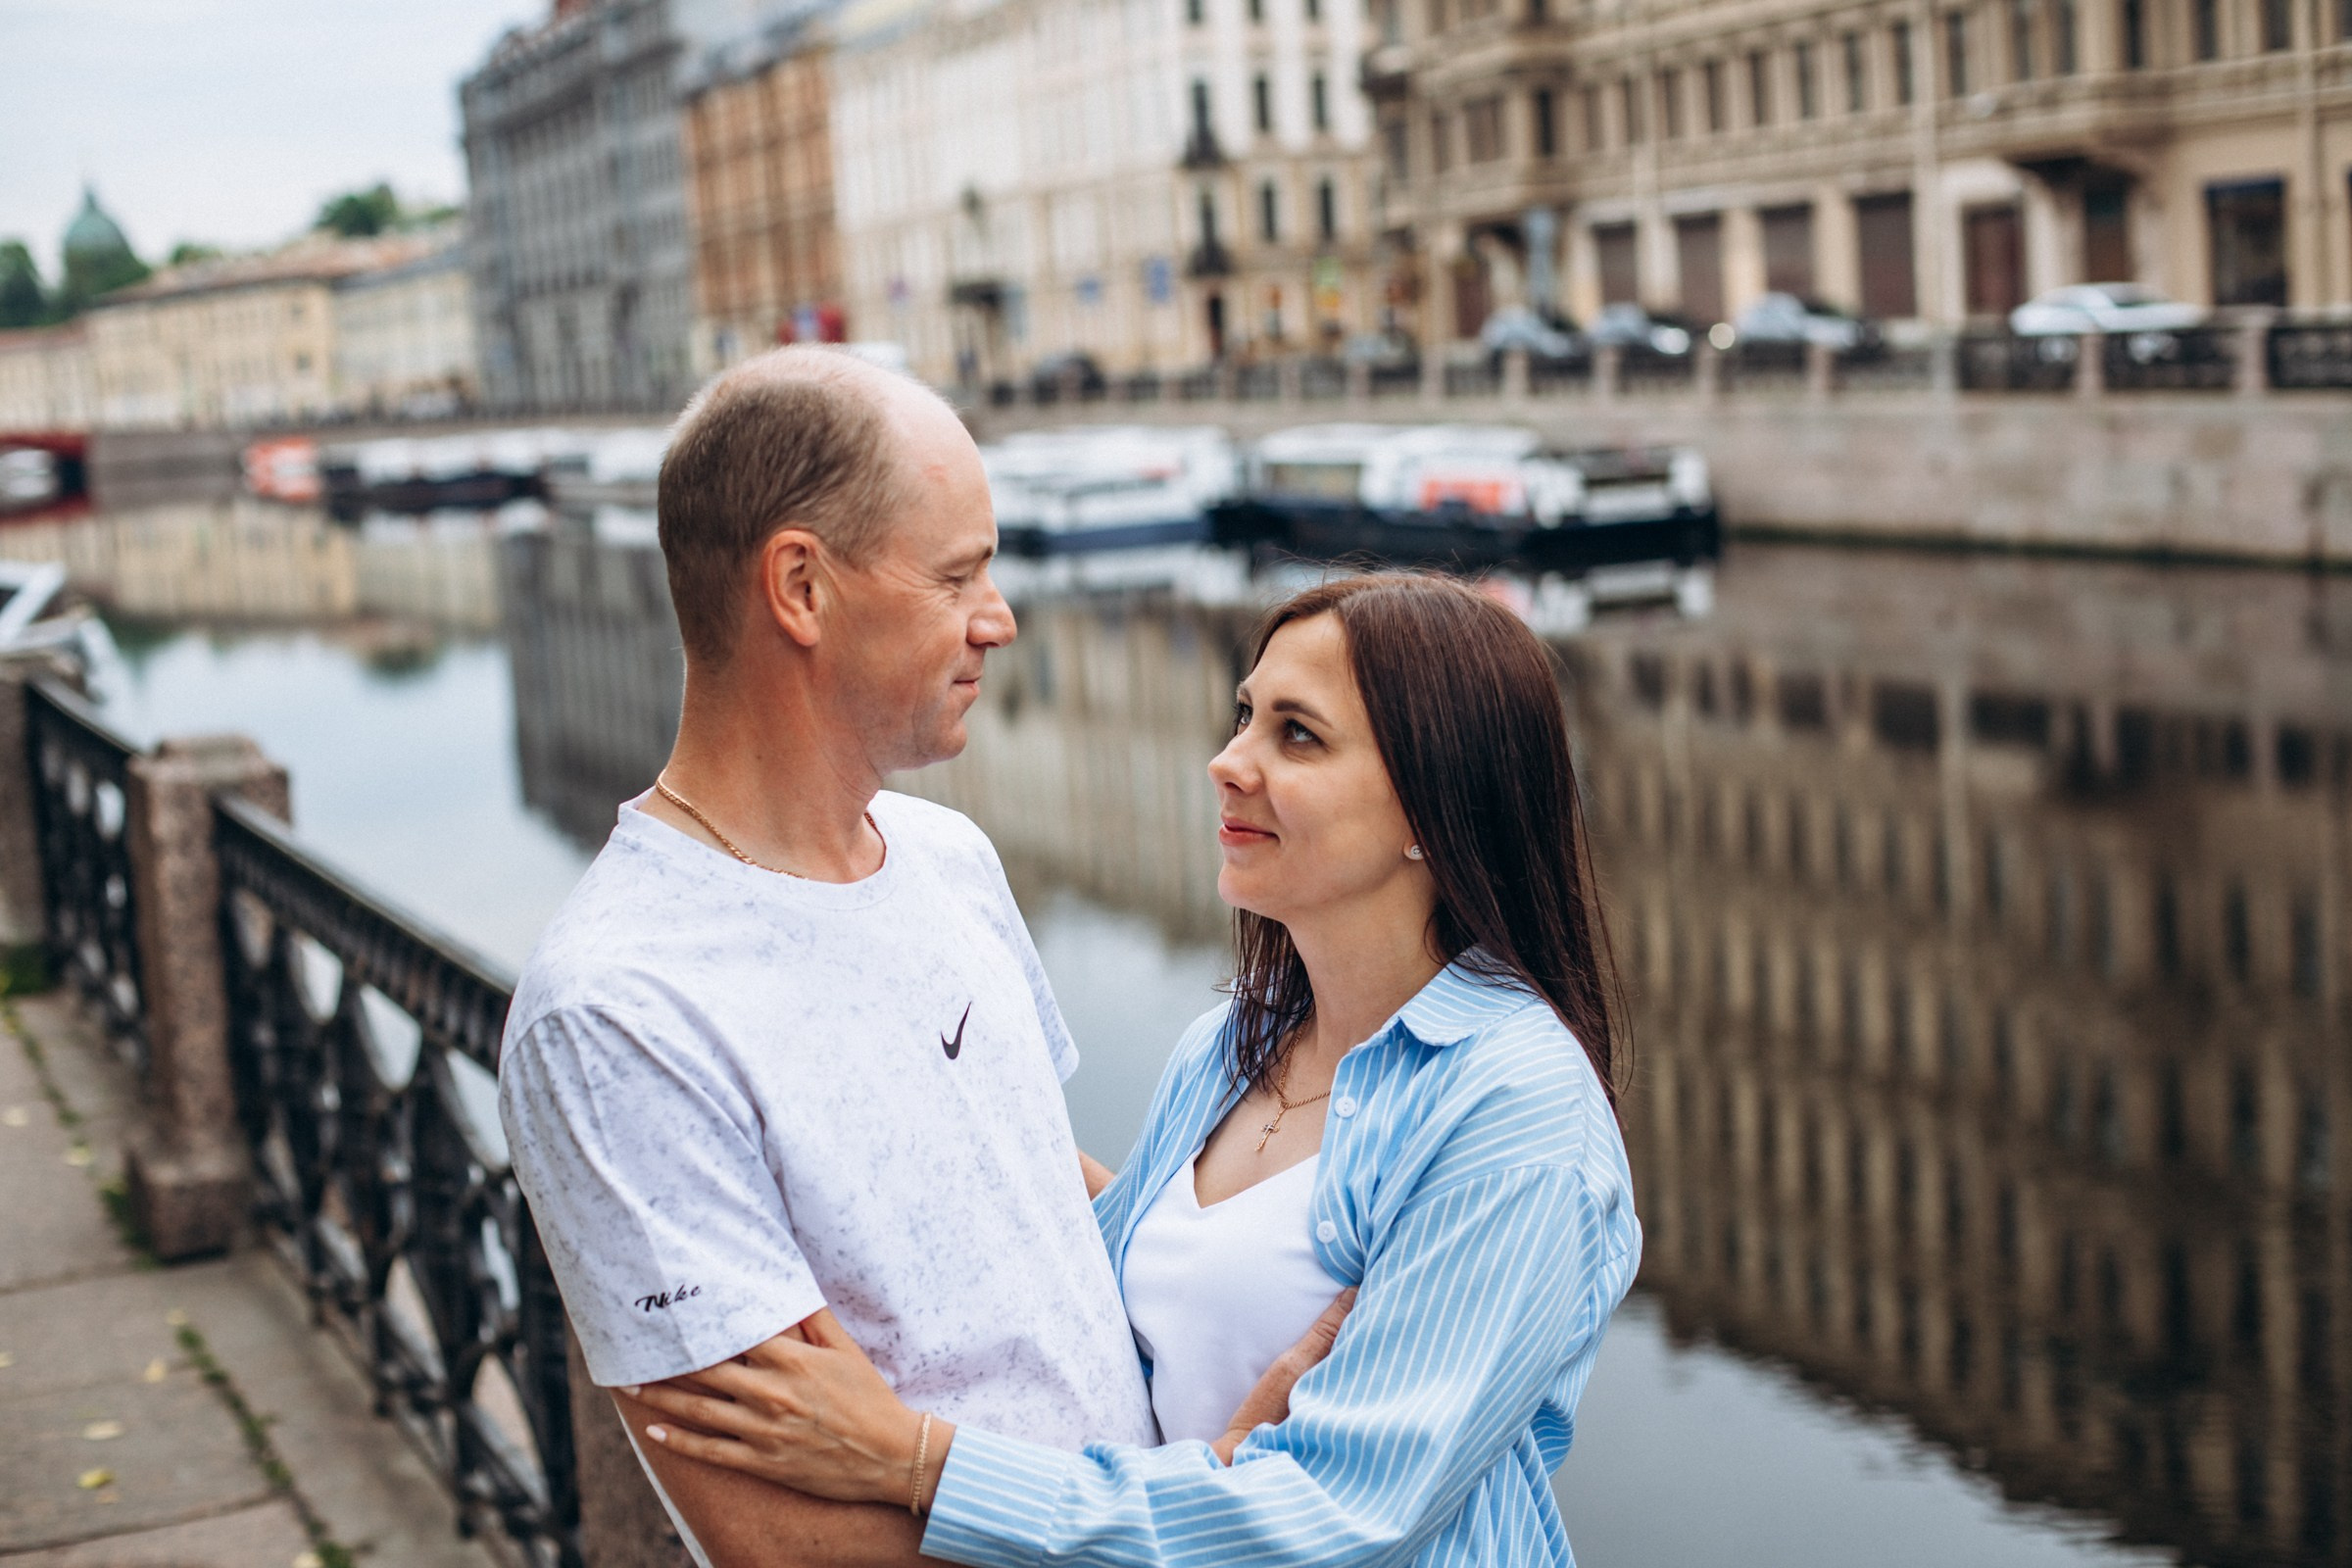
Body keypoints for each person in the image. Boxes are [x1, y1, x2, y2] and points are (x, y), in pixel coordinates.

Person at [496, 346, 1327, 1568]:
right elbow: (788, 1544)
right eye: (958, 576)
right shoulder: (616, 1011)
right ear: (802, 589)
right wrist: (1195, 1508)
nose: (999, 617)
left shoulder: (946, 858)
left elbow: (1035, 1193)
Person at [625, 572, 1644, 1567]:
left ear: (1436, 807)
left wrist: (912, 1459)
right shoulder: (1233, 1046)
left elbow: (1335, 1514)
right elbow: (1108, 1296)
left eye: (1298, 734)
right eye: (1245, 716)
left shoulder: (1515, 1112)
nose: (1228, 761)